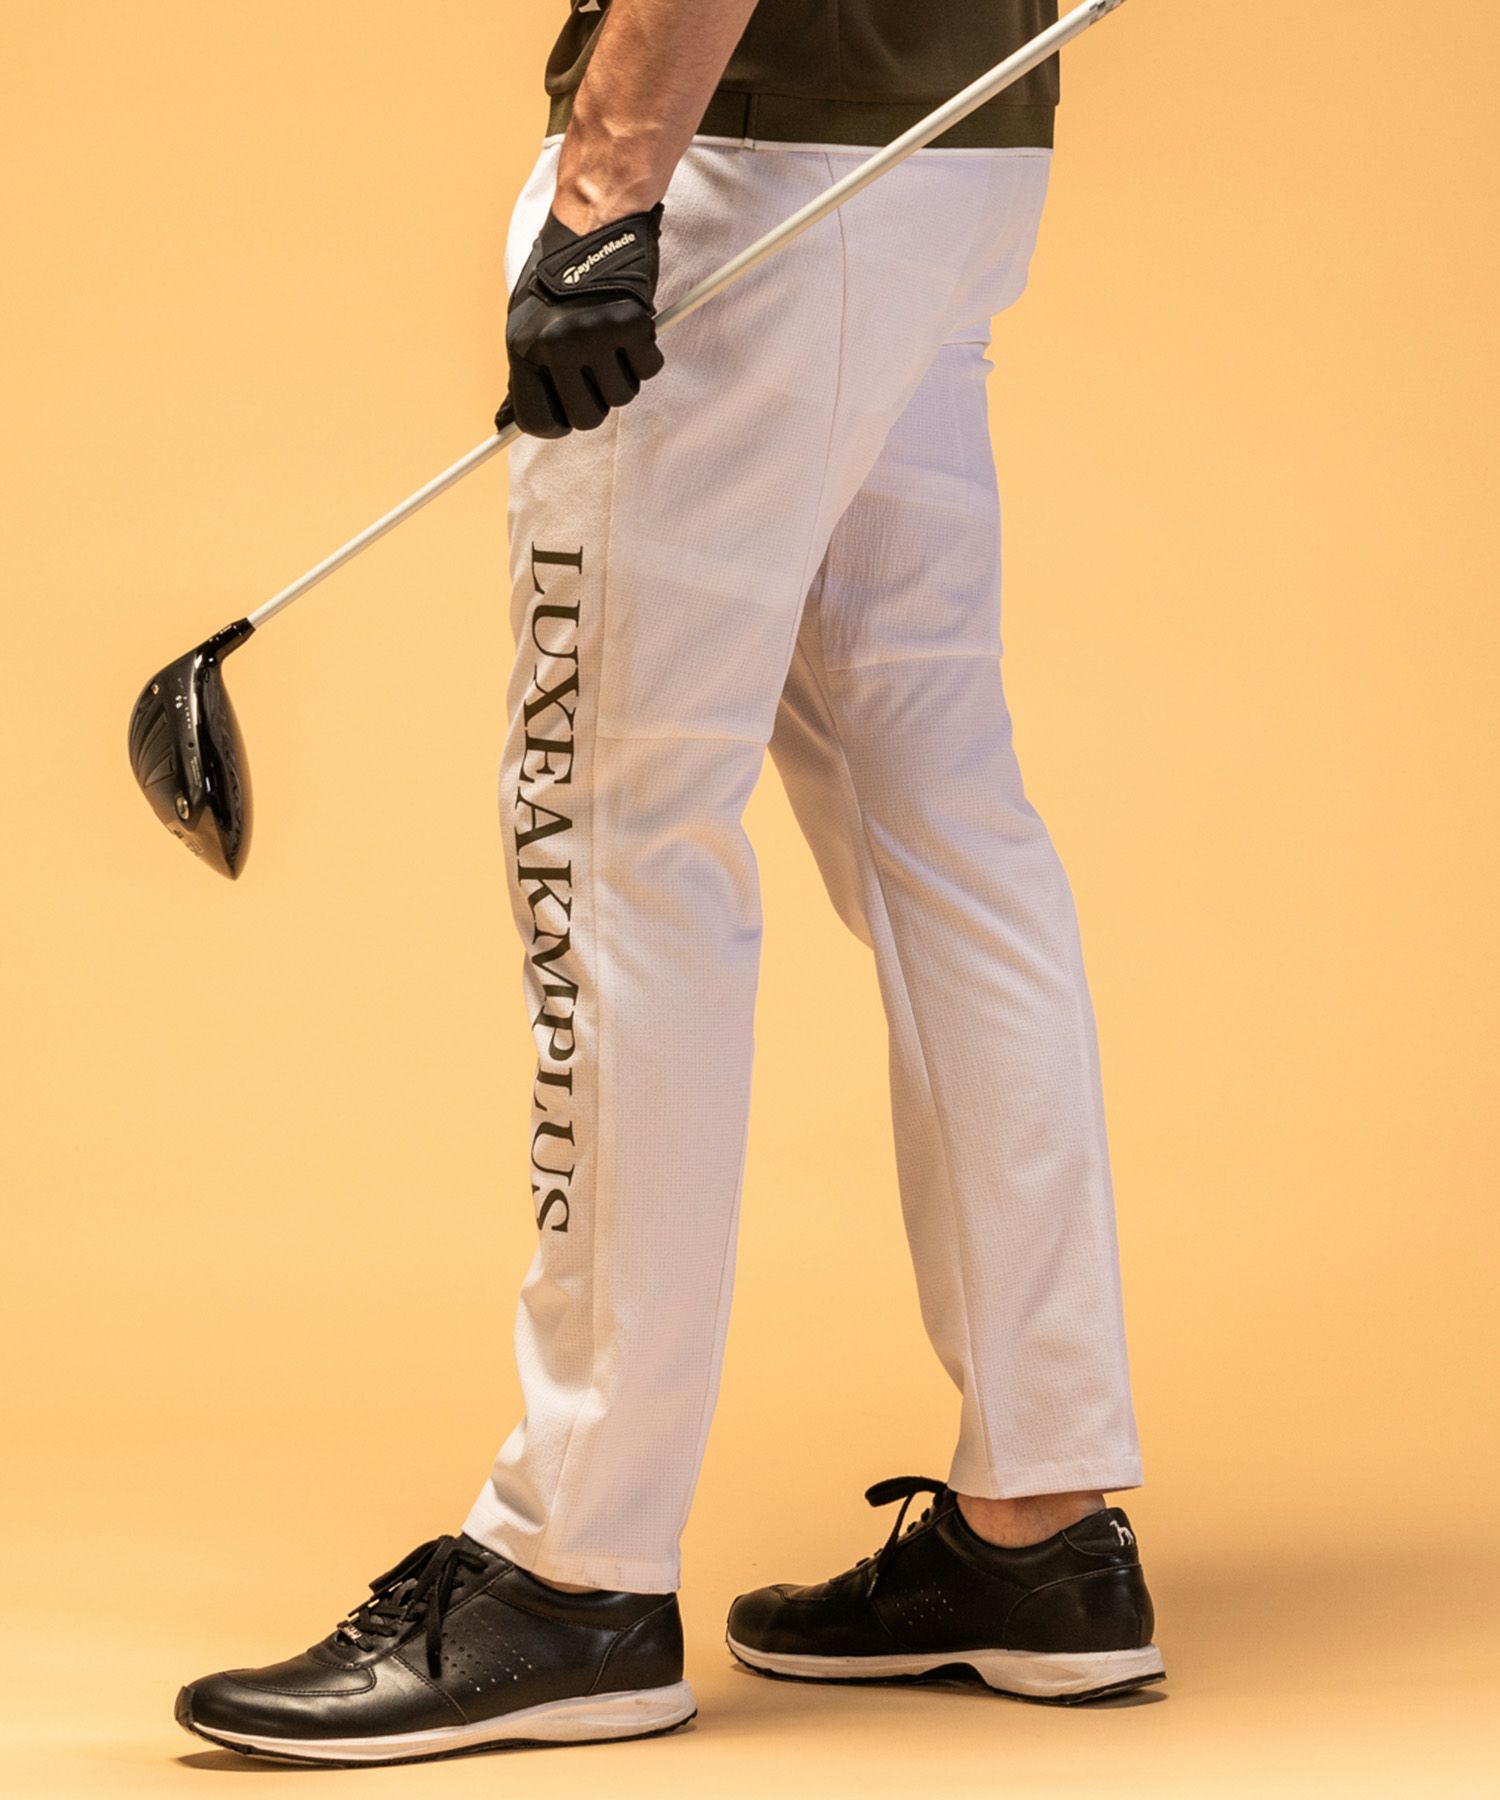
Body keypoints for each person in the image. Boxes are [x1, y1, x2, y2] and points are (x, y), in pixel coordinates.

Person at [174, 0, 1163, 1765]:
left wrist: (610, 179)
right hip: (953, 151)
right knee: (941, 817)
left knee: (610, 827)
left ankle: (573, 1567)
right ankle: (1043, 1520)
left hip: (744, 159)